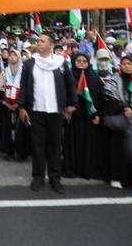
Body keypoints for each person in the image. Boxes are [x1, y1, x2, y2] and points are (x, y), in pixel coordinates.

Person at [18, 33, 77, 194]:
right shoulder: (30, 63)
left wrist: (72, 104)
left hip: (56, 111)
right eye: (38, 41)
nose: (39, 43)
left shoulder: (61, 63)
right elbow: (23, 86)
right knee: (38, 146)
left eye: (43, 41)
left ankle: (55, 178)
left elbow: (71, 84)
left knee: (55, 146)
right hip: (36, 110)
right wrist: (22, 107)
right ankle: (38, 177)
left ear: (51, 45)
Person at [99, 54, 132, 189]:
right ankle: (117, 177)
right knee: (118, 151)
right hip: (118, 121)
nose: (127, 66)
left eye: (130, 64)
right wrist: (124, 109)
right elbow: (107, 97)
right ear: (120, 66)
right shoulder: (113, 80)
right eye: (125, 64)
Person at [62, 53, 104, 180]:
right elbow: (62, 94)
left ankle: (86, 169)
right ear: (74, 62)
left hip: (88, 117)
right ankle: (71, 168)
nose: (81, 63)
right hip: (72, 117)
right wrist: (64, 110)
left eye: (84, 61)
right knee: (71, 144)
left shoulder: (94, 78)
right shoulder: (68, 77)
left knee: (87, 144)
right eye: (78, 61)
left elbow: (99, 98)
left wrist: (97, 114)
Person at [0, 49, 28, 160]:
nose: (12, 57)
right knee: (7, 128)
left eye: (15, 55)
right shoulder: (4, 72)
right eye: (10, 55)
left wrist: (20, 104)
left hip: (21, 106)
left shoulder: (24, 71)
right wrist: (5, 103)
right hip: (7, 105)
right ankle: (8, 151)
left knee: (21, 130)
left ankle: (21, 152)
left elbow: (27, 89)